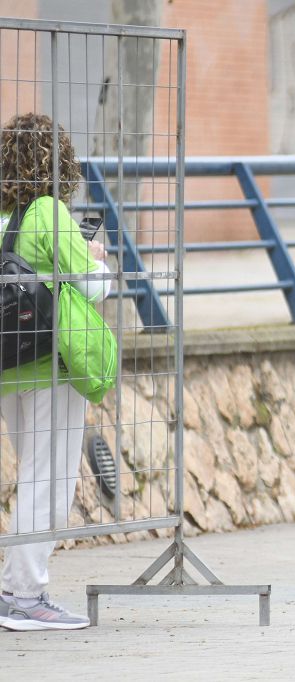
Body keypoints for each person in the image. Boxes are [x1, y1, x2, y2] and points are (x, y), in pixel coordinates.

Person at [0, 112, 111, 631]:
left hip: (8, 366)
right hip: (49, 364)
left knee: (32, 475)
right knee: (49, 480)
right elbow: (92, 288)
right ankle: (24, 596)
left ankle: (15, 589)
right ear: (58, 161)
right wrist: (97, 258)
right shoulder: (50, 212)